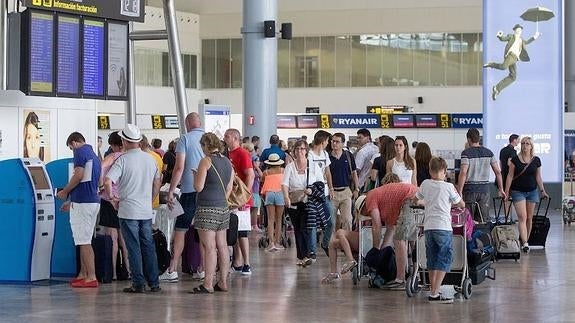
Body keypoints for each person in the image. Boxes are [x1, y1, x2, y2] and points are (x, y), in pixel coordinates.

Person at [104, 124, 161, 293]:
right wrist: (150, 198)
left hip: (128, 210)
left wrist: (112, 198)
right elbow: (157, 180)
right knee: (148, 246)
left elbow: (108, 181)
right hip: (145, 210)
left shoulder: (122, 160)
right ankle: (154, 283)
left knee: (133, 247)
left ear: (126, 141)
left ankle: (138, 283)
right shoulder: (150, 158)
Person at [414, 157, 465, 304]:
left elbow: (415, 200)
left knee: (432, 258)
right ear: (444, 171)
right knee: (444, 259)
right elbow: (461, 204)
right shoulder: (449, 187)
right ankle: (435, 293)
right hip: (443, 227)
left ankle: (433, 290)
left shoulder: (425, 184)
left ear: (430, 171)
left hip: (428, 227)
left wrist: (425, 202)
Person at [356, 173, 418, 290]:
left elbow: (377, 226)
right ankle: (415, 275)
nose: (367, 214)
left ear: (363, 206)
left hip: (409, 199)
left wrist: (375, 251)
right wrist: (381, 251)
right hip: (414, 196)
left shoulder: (370, 197)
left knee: (399, 240)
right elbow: (390, 229)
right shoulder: (387, 206)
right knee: (412, 241)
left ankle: (400, 279)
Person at [163, 113, 205, 282]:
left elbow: (179, 167)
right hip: (206, 192)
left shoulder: (185, 139)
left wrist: (172, 190)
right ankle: (202, 269)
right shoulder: (209, 139)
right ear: (200, 123)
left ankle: (172, 269)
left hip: (188, 191)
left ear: (187, 124)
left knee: (180, 230)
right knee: (204, 231)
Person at [190, 133, 234, 294]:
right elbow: (229, 187)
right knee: (222, 246)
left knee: (209, 247)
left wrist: (195, 175)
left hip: (207, 208)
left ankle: (207, 284)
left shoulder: (206, 161)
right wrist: (221, 200)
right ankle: (222, 281)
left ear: (205, 146)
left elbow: (198, 187)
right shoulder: (227, 162)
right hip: (223, 208)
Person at [56, 132, 101, 288]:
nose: (72, 151)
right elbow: (95, 182)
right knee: (83, 239)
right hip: (90, 202)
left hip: (83, 203)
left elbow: (79, 175)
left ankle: (91, 277)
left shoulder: (80, 152)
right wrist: (72, 201)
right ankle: (83, 274)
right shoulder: (94, 155)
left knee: (84, 241)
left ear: (74, 143)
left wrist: (65, 191)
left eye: (70, 148)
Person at [282, 139, 324, 266]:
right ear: (294, 151)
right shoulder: (289, 167)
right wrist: (286, 198)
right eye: (297, 149)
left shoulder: (313, 166)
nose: (299, 151)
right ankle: (301, 256)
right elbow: (284, 184)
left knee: (305, 227)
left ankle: (307, 255)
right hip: (294, 202)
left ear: (306, 151)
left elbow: (320, 182)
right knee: (297, 229)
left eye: (302, 149)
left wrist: (311, 190)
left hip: (308, 201)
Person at [505, 136, 549, 253]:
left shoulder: (536, 160)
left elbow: (538, 177)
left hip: (532, 191)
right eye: (523, 143)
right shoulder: (515, 159)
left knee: (529, 218)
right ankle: (524, 242)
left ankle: (525, 241)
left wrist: (542, 190)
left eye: (527, 144)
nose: (525, 146)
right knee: (522, 217)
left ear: (531, 146)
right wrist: (506, 191)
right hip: (518, 191)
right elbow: (510, 176)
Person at [98, 131, 130, 280]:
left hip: (109, 200)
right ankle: (129, 270)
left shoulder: (112, 157)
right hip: (124, 200)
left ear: (113, 145)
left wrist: (100, 184)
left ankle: (113, 273)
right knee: (124, 237)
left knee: (112, 237)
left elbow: (100, 169)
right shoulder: (129, 158)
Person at [224, 128, 255, 275]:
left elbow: (250, 175)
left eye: (227, 136)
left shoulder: (243, 153)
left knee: (242, 232)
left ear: (235, 138)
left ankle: (247, 263)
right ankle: (237, 261)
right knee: (233, 231)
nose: (225, 138)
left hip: (240, 199)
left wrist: (245, 197)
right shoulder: (227, 154)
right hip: (232, 199)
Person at [457, 128, 505, 221]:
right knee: (483, 220)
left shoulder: (466, 153)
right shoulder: (489, 153)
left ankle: (469, 236)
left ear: (469, 139)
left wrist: (459, 190)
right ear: (479, 139)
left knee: (468, 220)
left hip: (469, 191)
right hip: (485, 191)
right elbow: (498, 172)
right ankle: (482, 235)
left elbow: (463, 172)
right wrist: (501, 189)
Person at [483, 24, 540, 100]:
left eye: (521, 30)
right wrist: (500, 36)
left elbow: (527, 42)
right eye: (518, 29)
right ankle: (491, 64)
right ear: (515, 30)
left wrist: (535, 37)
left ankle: (497, 88)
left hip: (515, 59)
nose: (520, 31)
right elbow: (504, 38)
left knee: (513, 77)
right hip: (510, 55)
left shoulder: (521, 40)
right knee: (503, 67)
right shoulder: (511, 36)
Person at [307, 130, 335, 260]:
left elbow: (328, 172)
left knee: (330, 222)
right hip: (314, 193)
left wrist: (331, 187)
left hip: (325, 192)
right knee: (313, 222)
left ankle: (325, 243)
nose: (328, 143)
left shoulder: (325, 154)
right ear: (323, 141)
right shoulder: (310, 155)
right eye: (328, 141)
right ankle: (312, 250)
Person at [328, 133, 360, 232]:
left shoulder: (348, 155)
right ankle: (332, 243)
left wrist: (356, 189)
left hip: (346, 191)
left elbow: (354, 172)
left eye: (337, 142)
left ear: (342, 143)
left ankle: (347, 241)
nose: (334, 143)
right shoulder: (327, 156)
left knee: (347, 219)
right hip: (332, 193)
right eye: (332, 141)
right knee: (331, 221)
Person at [260, 153, 285, 252]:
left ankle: (271, 243)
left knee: (270, 220)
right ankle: (278, 242)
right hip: (280, 194)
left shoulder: (266, 172)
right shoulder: (283, 171)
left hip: (269, 194)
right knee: (279, 220)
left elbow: (262, 181)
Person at [243, 142, 263, 232]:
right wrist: (256, 167)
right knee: (253, 209)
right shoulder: (251, 166)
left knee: (253, 208)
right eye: (251, 150)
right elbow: (260, 175)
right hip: (252, 190)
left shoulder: (249, 161)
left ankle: (251, 224)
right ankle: (253, 225)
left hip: (253, 190)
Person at [499, 134, 519, 221]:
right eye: (518, 140)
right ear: (514, 140)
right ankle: (511, 217)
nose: (519, 141)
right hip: (510, 177)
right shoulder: (513, 151)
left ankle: (507, 216)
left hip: (503, 175)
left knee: (505, 198)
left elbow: (500, 163)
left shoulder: (502, 150)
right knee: (512, 197)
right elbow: (509, 163)